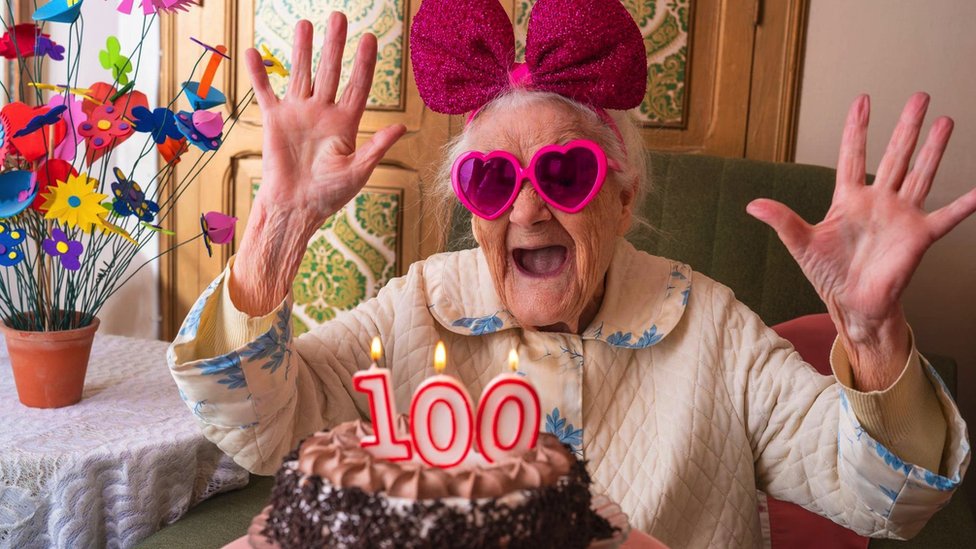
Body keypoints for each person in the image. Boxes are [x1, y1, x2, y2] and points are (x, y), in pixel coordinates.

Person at [168, 1, 974, 546]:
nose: (526, 211)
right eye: (492, 180)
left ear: (623, 199)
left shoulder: (713, 326)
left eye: (564, 174)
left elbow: (886, 497)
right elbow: (264, 430)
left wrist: (871, 335)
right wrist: (273, 236)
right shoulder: (418, 302)